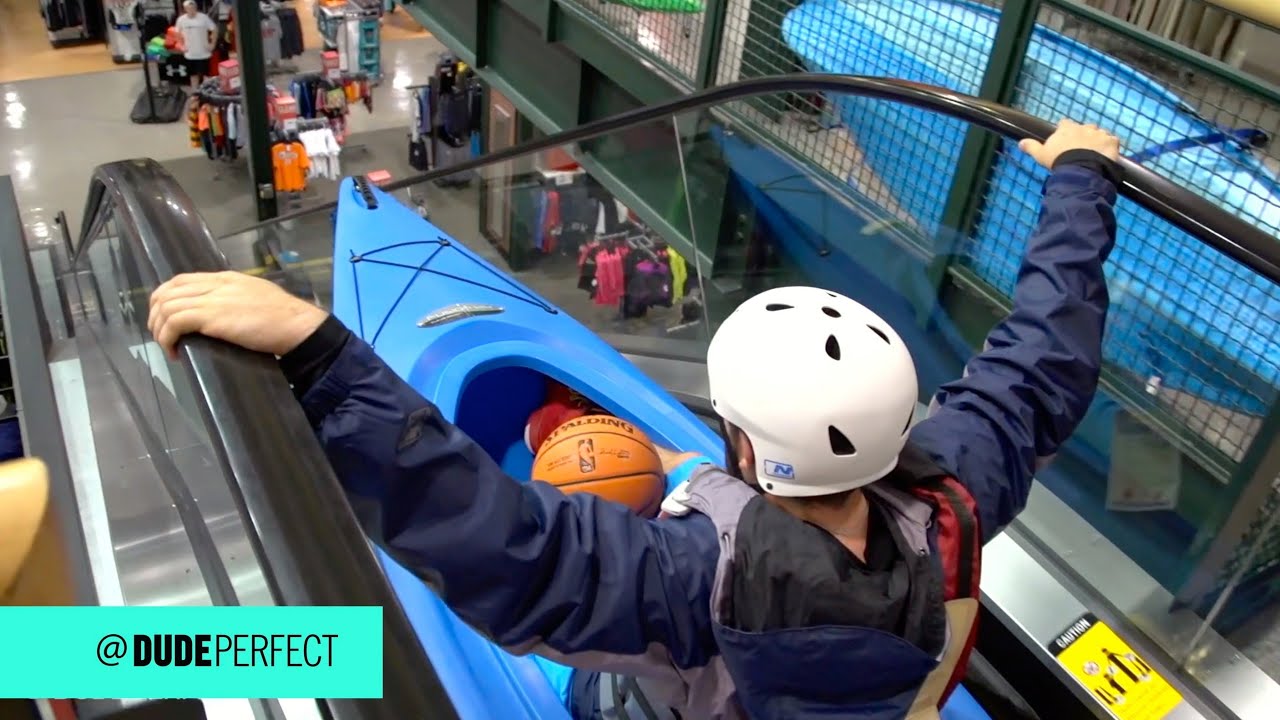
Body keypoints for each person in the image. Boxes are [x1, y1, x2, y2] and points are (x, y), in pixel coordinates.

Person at [148, 119, 1122, 719]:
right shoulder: (955, 490)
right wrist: (1080, 178)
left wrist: (323, 357)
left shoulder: (686, 579)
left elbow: (496, 542)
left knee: (590, 683)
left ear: (738, 440)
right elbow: (1043, 354)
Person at [174, 1, 217, 89]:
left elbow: (214, 29)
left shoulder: (204, 18)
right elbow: (176, 33)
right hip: (190, 54)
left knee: (206, 76)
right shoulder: (181, 20)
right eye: (189, 8)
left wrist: (212, 44)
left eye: (193, 8)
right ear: (185, 9)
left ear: (196, 8)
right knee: (193, 76)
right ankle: (195, 95)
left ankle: (208, 94)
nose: (191, 10)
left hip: (204, 53)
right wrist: (181, 45)